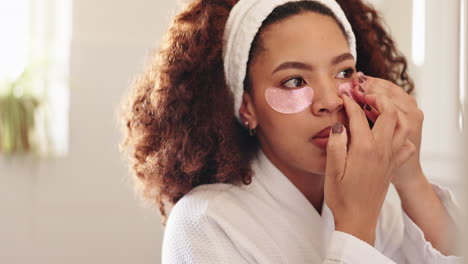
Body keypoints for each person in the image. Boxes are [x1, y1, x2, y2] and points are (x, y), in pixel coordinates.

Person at [119, 0, 463, 263]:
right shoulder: (204, 223)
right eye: (294, 80)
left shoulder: (383, 200)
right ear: (246, 106)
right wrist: (355, 225)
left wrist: (409, 177)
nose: (330, 101)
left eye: (343, 72)